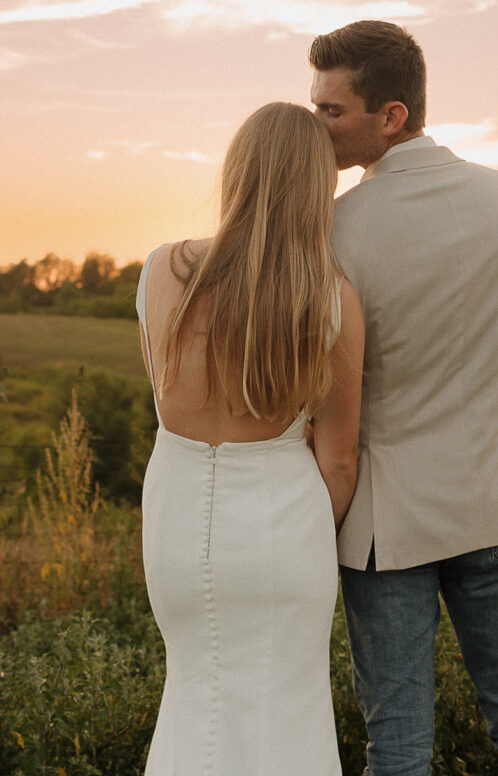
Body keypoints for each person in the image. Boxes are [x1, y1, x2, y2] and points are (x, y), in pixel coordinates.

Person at [309, 21, 498, 776]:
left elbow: (320, 387)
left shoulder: (330, 229)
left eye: (331, 110)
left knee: (397, 748)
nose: (315, 125)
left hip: (384, 527)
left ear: (390, 116)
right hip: (497, 501)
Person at [136, 102, 364, 776]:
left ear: (237, 171)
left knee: (191, 703)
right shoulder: (332, 295)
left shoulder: (159, 271)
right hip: (283, 532)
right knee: (284, 717)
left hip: (176, 526)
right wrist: (297, 537)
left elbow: (165, 396)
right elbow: (341, 461)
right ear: (317, 184)